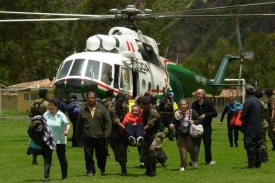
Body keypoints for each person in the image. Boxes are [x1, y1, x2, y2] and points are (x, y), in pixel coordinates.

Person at [76, 91, 112, 176]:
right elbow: (79, 125)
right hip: (87, 137)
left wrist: (107, 133)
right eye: (89, 98)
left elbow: (108, 121)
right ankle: (90, 171)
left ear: (95, 98)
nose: (90, 99)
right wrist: (77, 138)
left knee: (101, 156)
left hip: (100, 136)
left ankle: (102, 168)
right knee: (88, 155)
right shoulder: (83, 110)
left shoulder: (102, 108)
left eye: (92, 98)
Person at [169, 99, 201, 171]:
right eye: (181, 105)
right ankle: (183, 166)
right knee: (182, 150)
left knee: (190, 148)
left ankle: (194, 160)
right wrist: (171, 125)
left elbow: (199, 120)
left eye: (184, 104)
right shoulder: (177, 113)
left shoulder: (192, 112)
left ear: (187, 105)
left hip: (189, 133)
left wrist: (193, 121)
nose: (183, 106)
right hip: (180, 133)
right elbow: (172, 122)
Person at [42, 98, 70, 181]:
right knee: (47, 158)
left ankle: (64, 175)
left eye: (51, 105)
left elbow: (67, 124)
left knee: (62, 158)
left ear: (56, 106)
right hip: (48, 140)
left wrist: (67, 130)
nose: (49, 106)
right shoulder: (45, 114)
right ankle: (46, 176)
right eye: (49, 105)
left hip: (60, 140)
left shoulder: (61, 115)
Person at [191, 89, 217, 165]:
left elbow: (214, 113)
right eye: (197, 94)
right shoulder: (194, 104)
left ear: (203, 95)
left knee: (207, 144)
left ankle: (209, 160)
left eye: (199, 93)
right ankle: (194, 160)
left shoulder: (208, 103)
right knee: (196, 145)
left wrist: (206, 115)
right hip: (197, 127)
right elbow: (191, 113)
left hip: (206, 127)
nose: (197, 95)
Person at [240, 85, 261, 169]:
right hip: (257, 127)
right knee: (257, 146)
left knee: (250, 146)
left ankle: (251, 164)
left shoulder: (248, 102)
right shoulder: (257, 101)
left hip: (250, 127)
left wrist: (241, 116)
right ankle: (258, 163)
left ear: (247, 92)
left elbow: (244, 114)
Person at [140, 96, 161, 176]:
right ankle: (148, 168)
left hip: (157, 133)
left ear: (149, 103)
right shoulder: (144, 111)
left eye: (145, 104)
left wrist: (140, 131)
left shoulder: (153, 111)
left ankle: (153, 167)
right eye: (142, 104)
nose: (143, 106)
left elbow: (150, 124)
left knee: (152, 150)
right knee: (145, 153)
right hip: (148, 134)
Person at [108, 93, 129, 176]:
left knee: (123, 151)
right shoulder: (112, 109)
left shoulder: (125, 108)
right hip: (114, 134)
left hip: (123, 134)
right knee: (117, 153)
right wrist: (127, 130)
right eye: (119, 101)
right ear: (116, 100)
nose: (120, 102)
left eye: (122, 101)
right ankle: (121, 162)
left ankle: (124, 168)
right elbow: (116, 122)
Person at [28, 89, 49, 165]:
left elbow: (30, 114)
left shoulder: (34, 102)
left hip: (34, 123)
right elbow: (48, 114)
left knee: (34, 141)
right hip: (42, 123)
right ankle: (46, 160)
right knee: (45, 141)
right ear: (45, 95)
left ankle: (34, 160)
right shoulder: (46, 103)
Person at [255, 89, 269, 163]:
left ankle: (264, 157)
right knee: (263, 141)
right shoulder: (264, 102)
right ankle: (264, 156)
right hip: (265, 122)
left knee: (261, 141)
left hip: (261, 123)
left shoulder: (258, 103)